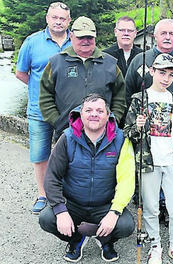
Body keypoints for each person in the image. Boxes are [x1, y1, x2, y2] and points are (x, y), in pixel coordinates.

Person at [39, 93, 135, 262]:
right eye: (88, 110)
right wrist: (61, 211)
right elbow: (52, 177)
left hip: (104, 204)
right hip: (73, 204)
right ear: (81, 114)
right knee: (47, 218)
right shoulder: (67, 138)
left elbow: (127, 180)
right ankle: (76, 239)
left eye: (99, 110)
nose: (94, 114)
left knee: (126, 225)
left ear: (108, 115)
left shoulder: (121, 140)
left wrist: (114, 212)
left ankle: (105, 240)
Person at [124, 54, 173, 264]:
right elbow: (127, 133)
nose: (166, 78)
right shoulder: (139, 99)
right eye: (162, 73)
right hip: (148, 163)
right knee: (151, 207)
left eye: (171, 74)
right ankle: (155, 245)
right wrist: (138, 127)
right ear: (152, 72)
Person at [15, 1, 72, 214]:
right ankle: (43, 194)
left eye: (62, 18)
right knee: (40, 154)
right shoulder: (32, 42)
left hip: (66, 112)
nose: (58, 22)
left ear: (68, 21)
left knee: (68, 152)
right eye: (54, 17)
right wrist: (40, 90)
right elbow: (21, 73)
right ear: (47, 18)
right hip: (38, 112)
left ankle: (64, 192)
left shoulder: (73, 42)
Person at [39, 16, 126, 142]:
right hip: (66, 133)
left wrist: (113, 120)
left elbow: (120, 97)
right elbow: (45, 95)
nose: (86, 41)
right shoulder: (56, 63)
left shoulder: (111, 64)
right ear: (71, 36)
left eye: (89, 37)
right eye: (81, 37)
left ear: (95, 37)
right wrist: (57, 121)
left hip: (102, 135)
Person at [125, 19, 173, 108]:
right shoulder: (140, 60)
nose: (168, 37)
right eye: (163, 33)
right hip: (144, 118)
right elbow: (127, 93)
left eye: (171, 34)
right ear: (155, 36)